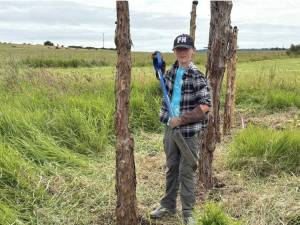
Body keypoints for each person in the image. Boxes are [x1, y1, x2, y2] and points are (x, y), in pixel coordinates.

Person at [150, 34, 211, 225]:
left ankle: (188, 212)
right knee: (171, 168)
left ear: (192, 51)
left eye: (186, 49)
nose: (182, 53)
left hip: (188, 133)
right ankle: (168, 205)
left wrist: (181, 120)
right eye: (179, 49)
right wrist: (158, 69)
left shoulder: (197, 76)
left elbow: (204, 106)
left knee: (186, 171)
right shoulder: (168, 74)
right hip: (170, 130)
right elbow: (165, 91)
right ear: (175, 52)